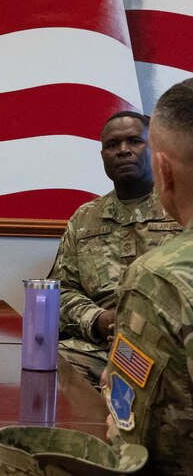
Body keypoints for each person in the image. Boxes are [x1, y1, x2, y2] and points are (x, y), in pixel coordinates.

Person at [48, 111, 181, 388]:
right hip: (97, 349)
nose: (123, 151)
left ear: (155, 149)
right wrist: (97, 319)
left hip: (166, 352)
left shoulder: (182, 209)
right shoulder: (85, 218)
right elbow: (58, 293)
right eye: (112, 145)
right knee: (46, 367)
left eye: (134, 141)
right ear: (103, 156)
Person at [104, 78, 193, 474]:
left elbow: (135, 445)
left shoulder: (158, 279)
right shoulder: (85, 218)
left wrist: (115, 422)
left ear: (162, 169)